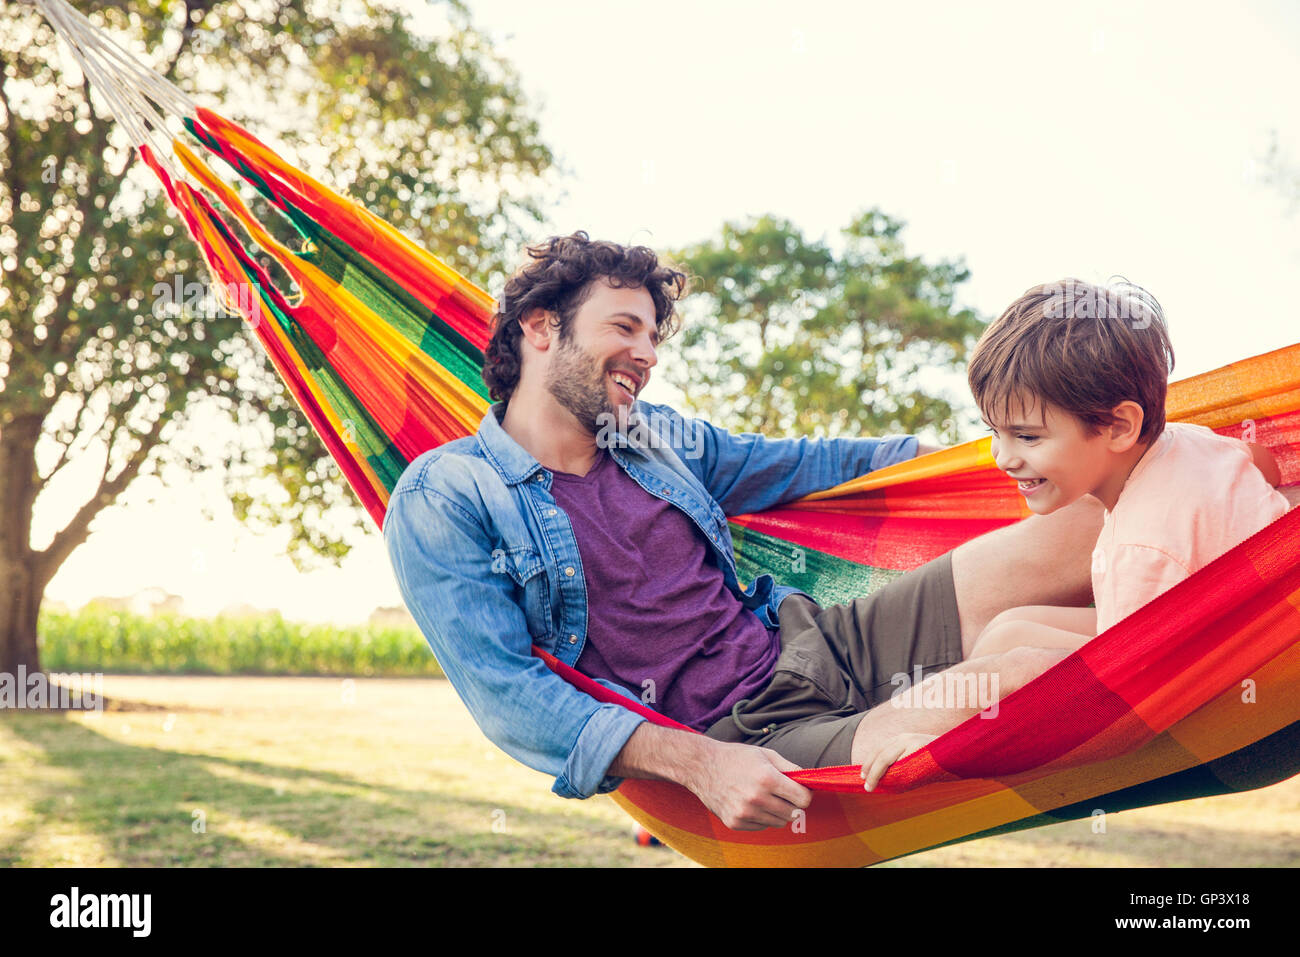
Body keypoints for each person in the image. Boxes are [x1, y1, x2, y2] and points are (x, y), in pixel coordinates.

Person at [383, 234, 1108, 831]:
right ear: (541, 327)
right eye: (624, 327)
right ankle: (1194, 658)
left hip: (814, 642)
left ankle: (1214, 626)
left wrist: (939, 460)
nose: (649, 353)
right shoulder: (446, 497)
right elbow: (510, 694)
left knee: (1082, 519)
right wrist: (702, 767)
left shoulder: (658, 438)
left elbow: (795, 463)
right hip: (747, 736)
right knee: (1024, 675)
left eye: (653, 334)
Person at [856, 279, 1293, 790]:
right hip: (1220, 625)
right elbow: (1263, 464)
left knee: (1012, 649)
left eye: (1027, 436)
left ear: (1118, 427)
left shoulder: (1141, 548)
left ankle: (945, 739)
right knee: (1011, 625)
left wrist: (952, 754)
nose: (1004, 457)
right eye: (995, 431)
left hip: (1211, 677)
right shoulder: (1193, 442)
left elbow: (1126, 699)